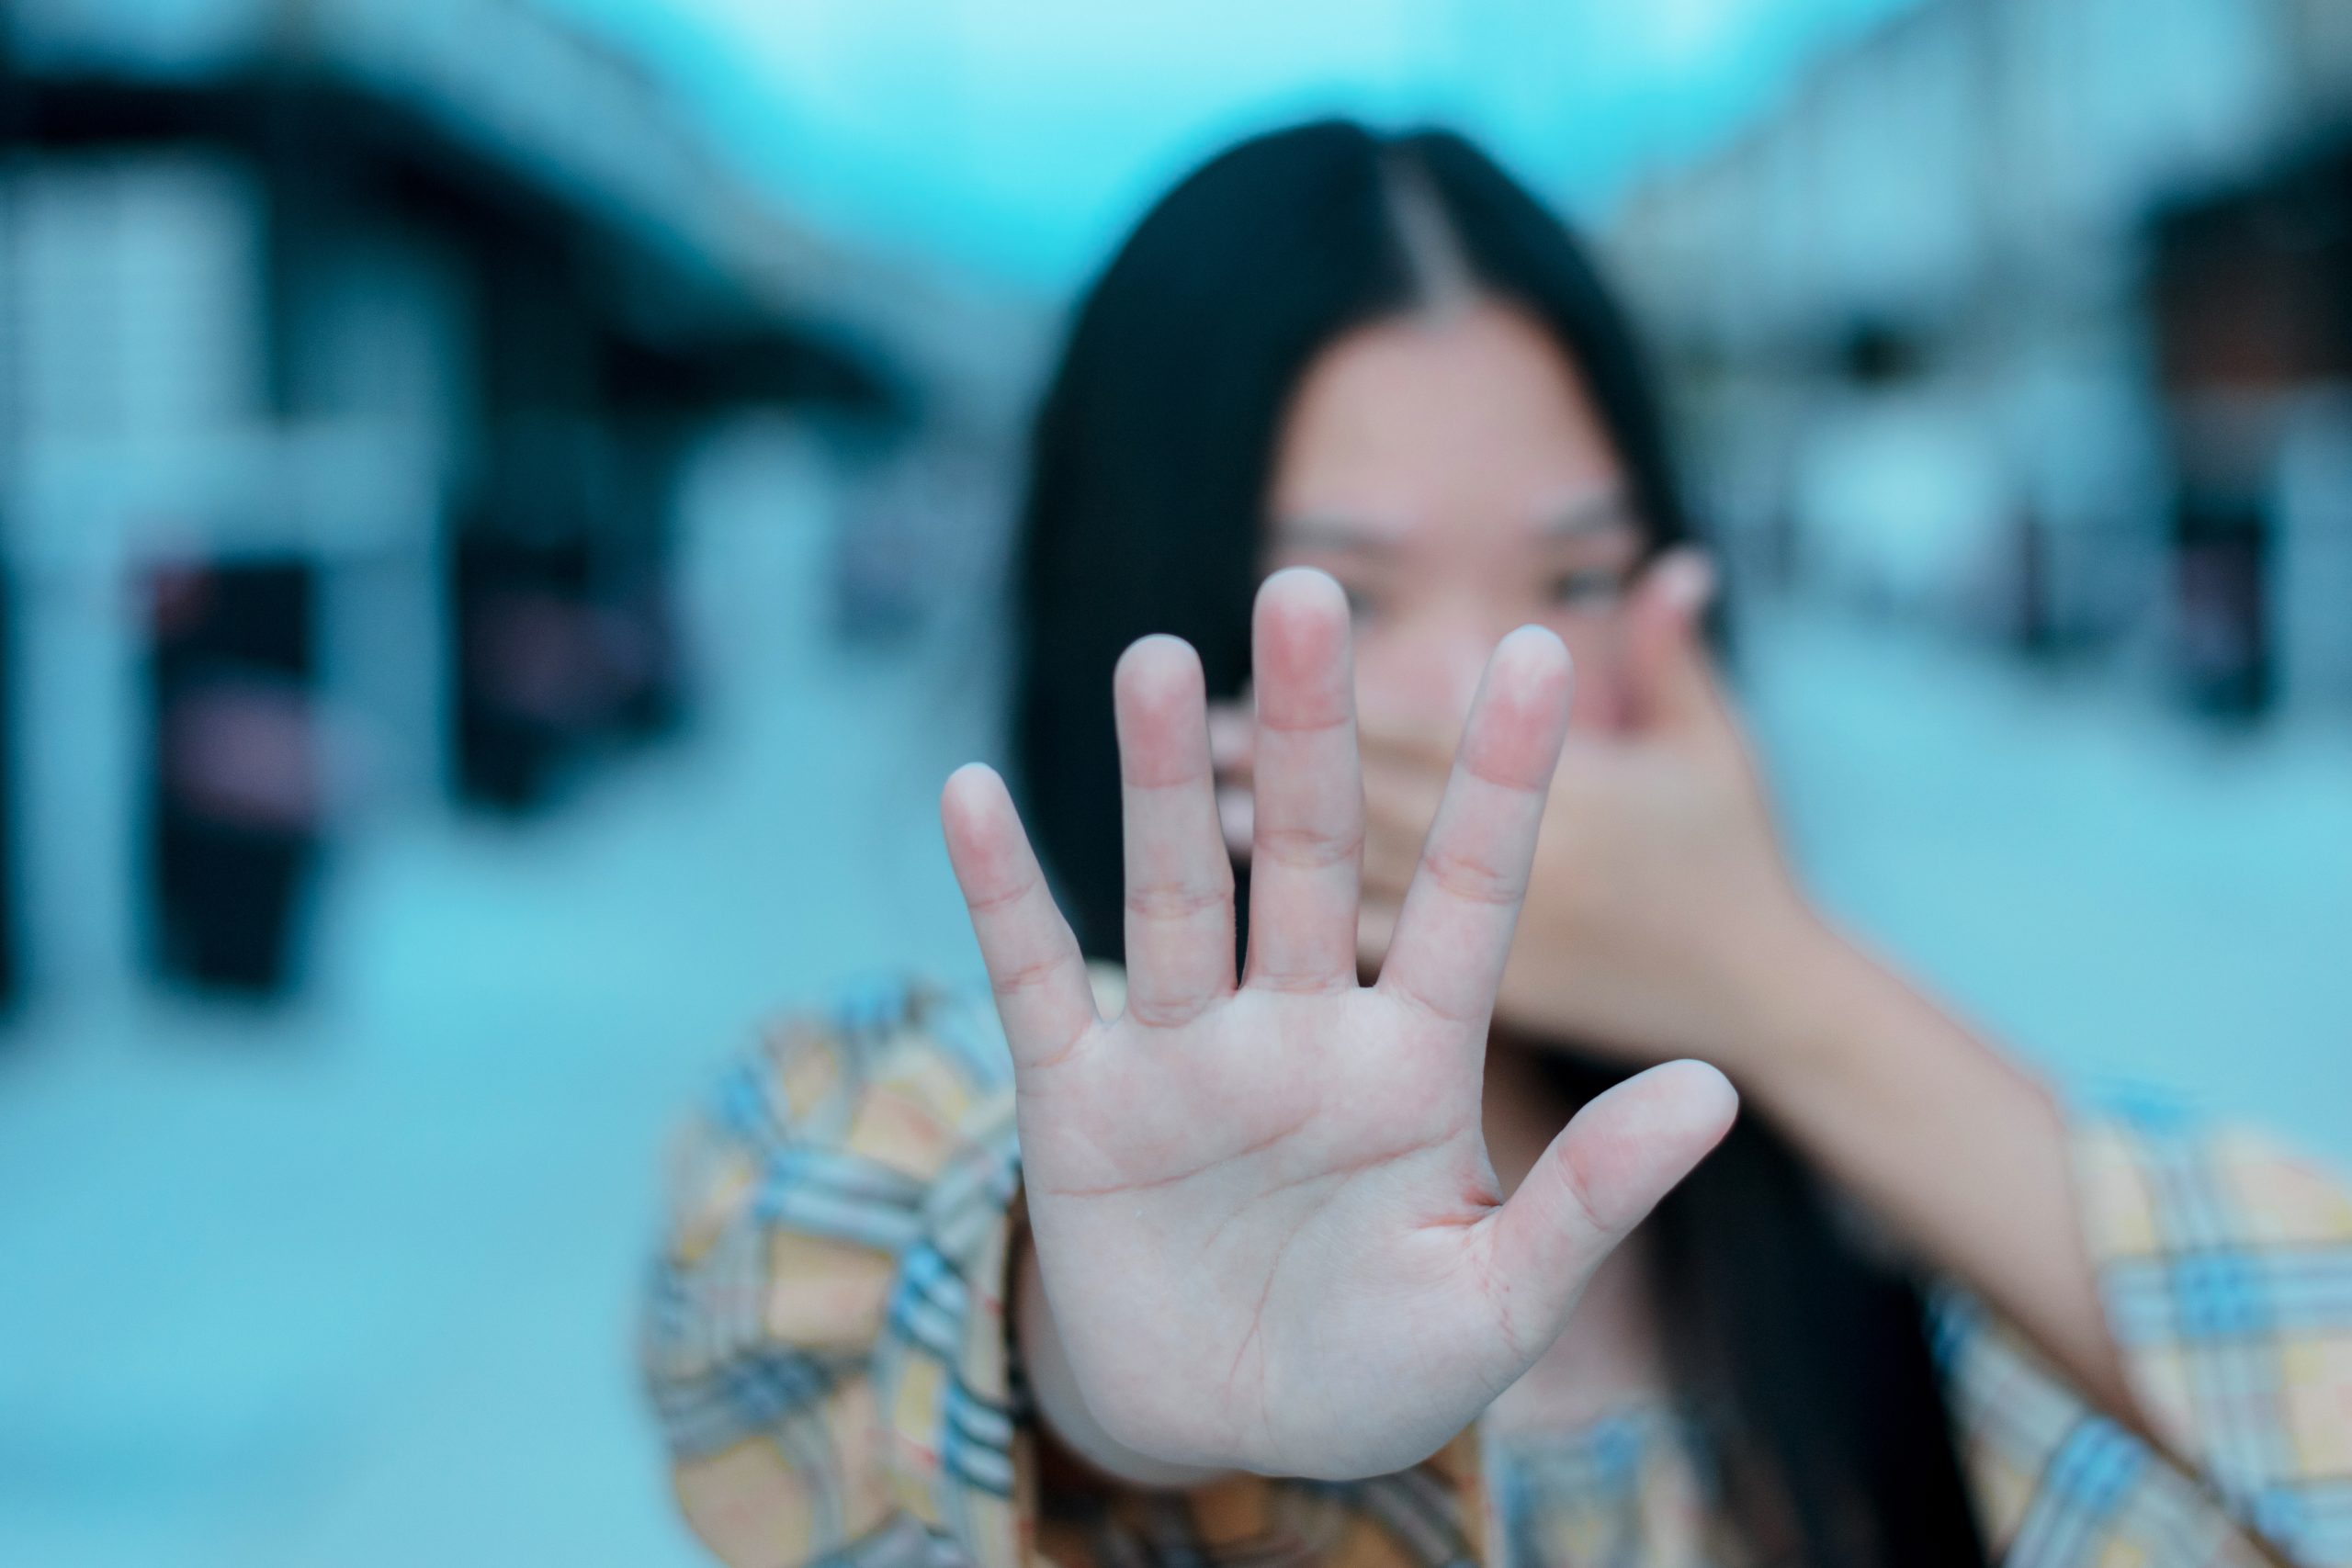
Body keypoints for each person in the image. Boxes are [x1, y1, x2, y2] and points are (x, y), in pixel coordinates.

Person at [642, 121, 2352, 1567]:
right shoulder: (912, 1125)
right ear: (1133, 612)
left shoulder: (1870, 1239)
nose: (1496, 692)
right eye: (1350, 597)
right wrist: (1079, 1351)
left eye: (1578, 583)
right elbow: (782, 1298)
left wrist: (1776, 988)